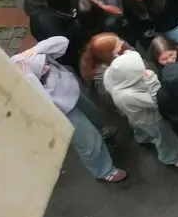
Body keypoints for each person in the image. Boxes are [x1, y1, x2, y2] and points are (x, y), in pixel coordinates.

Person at [12, 36, 127, 182]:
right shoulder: (29, 85)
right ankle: (104, 171)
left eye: (45, 62)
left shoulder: (30, 60)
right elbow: (43, 102)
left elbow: (62, 41)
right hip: (62, 110)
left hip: (72, 93)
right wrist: (30, 76)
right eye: (43, 69)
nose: (48, 65)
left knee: (94, 114)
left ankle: (103, 131)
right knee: (88, 140)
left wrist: (37, 49)